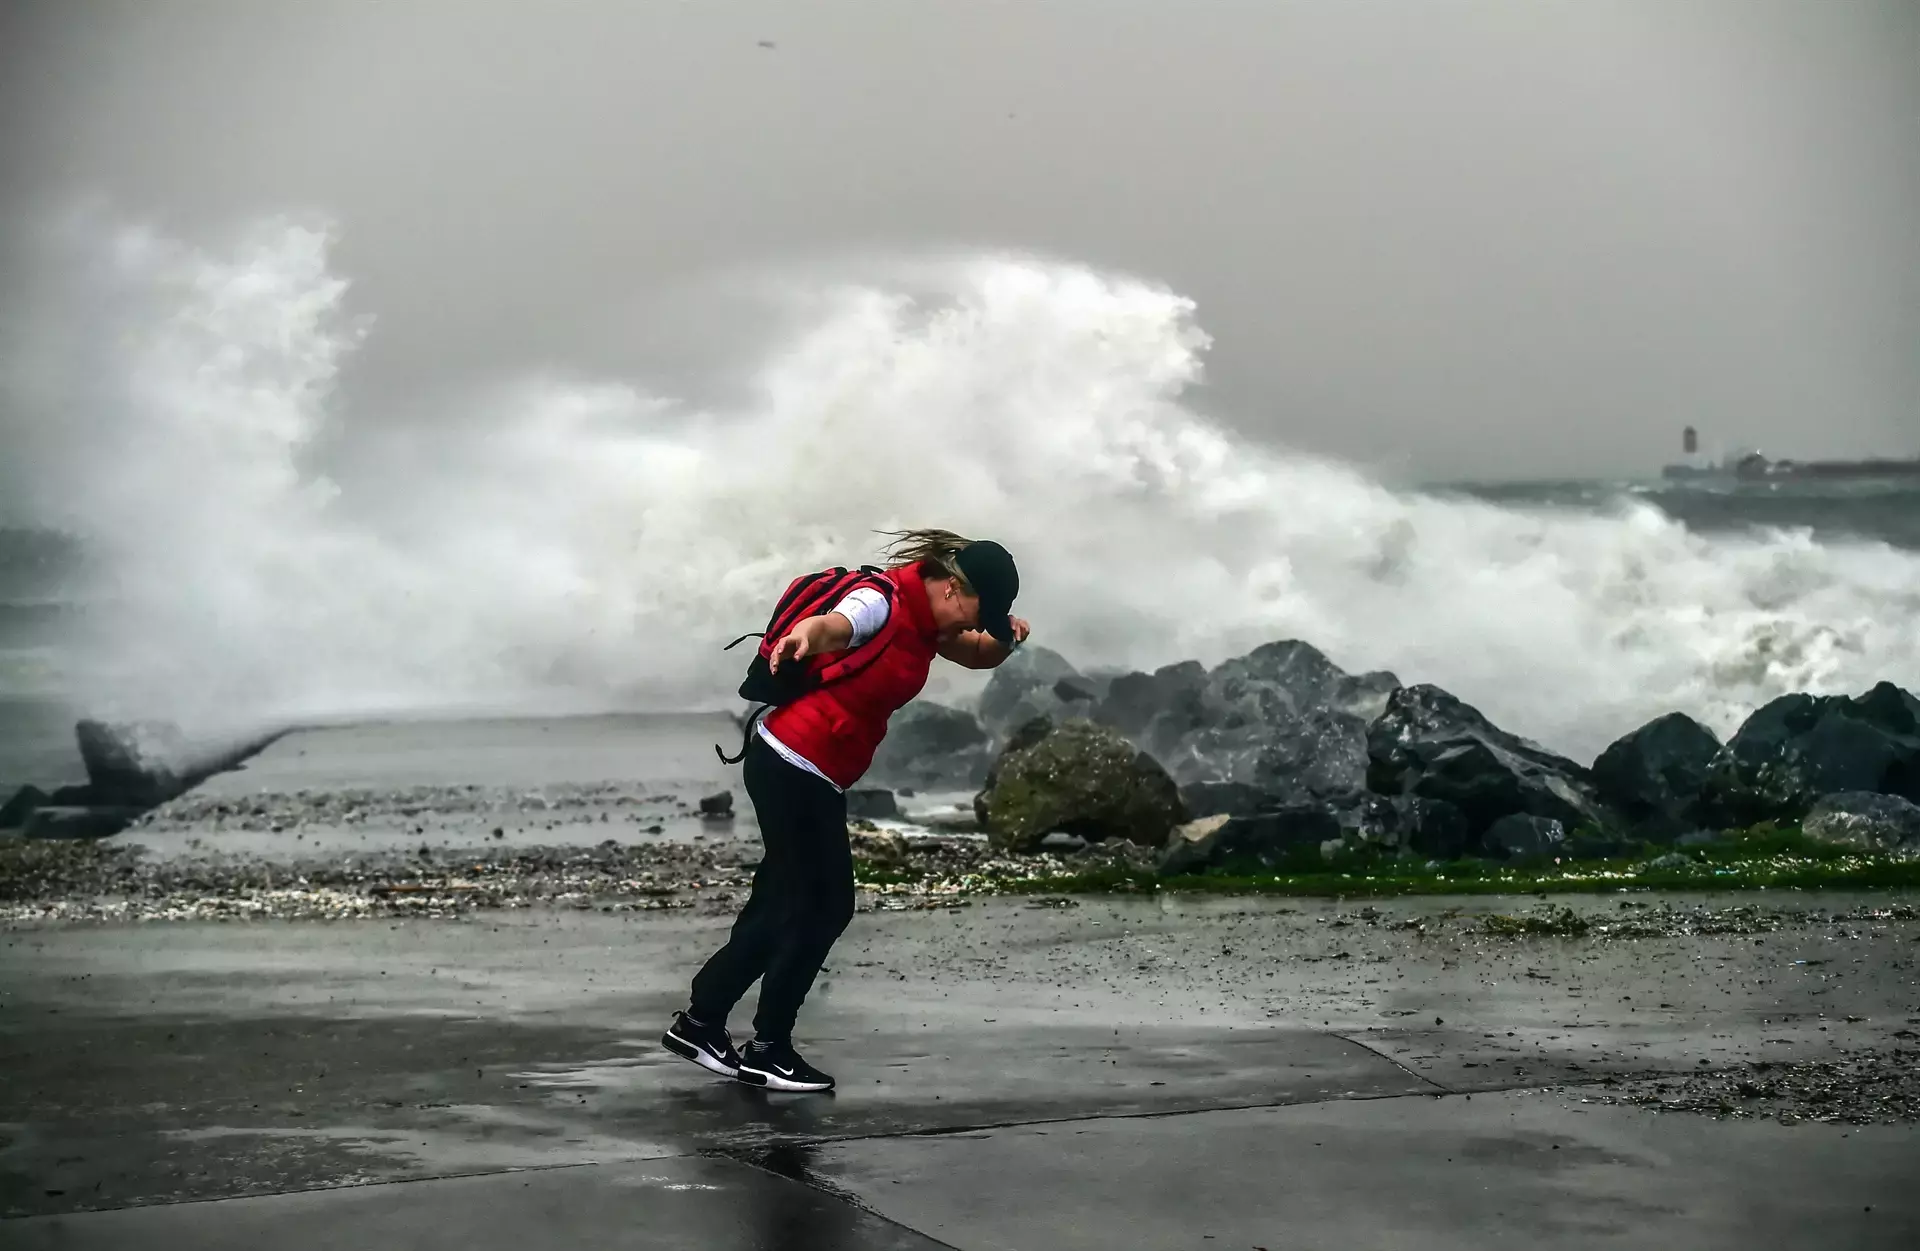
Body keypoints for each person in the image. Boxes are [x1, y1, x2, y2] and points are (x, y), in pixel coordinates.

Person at [663, 529, 1029, 1092]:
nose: (979, 623)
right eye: (985, 610)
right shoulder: (881, 601)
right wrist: (805, 637)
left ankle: (701, 1022)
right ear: (954, 588)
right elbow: (836, 624)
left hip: (806, 768)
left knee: (783, 900)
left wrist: (1007, 635)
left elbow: (980, 656)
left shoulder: (928, 624)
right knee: (823, 906)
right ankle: (768, 1048)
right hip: (792, 763)